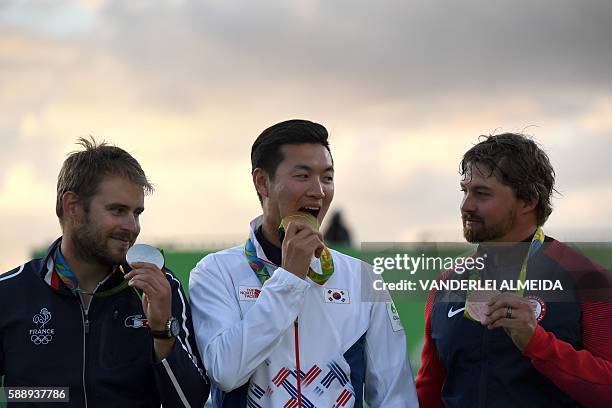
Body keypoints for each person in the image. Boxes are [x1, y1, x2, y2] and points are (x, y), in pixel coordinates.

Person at [189, 119, 418, 407]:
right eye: (303, 176)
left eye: (328, 178)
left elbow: (395, 396)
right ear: (262, 182)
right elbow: (226, 372)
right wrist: (289, 279)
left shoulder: (362, 278)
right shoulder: (216, 272)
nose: (319, 191)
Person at [0, 138, 209, 407]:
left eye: (137, 213)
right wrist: (48, 396)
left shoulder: (159, 287)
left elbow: (191, 403)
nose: (132, 226)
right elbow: (11, 395)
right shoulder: (9, 293)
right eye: (118, 211)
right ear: (72, 207)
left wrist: (162, 332)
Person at [416, 133, 612, 407]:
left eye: (482, 194)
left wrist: (537, 343)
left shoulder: (588, 280)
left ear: (528, 201)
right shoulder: (446, 283)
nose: (466, 206)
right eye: (465, 191)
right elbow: (429, 391)